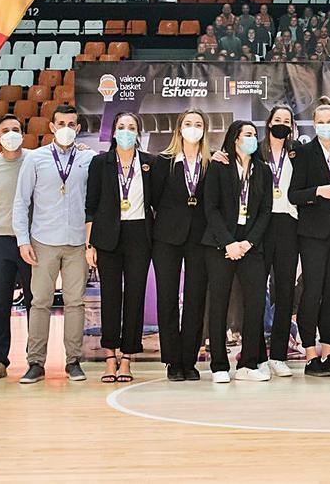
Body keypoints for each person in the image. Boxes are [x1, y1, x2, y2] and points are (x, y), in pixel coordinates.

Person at [12, 104, 94, 384]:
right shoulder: (35, 159)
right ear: (51, 127)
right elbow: (21, 202)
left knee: (75, 303)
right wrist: (23, 241)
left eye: (72, 124)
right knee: (40, 302)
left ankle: (73, 361)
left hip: (77, 243)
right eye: (61, 123)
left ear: (78, 129)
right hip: (43, 241)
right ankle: (35, 362)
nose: (66, 129)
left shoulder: (88, 158)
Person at [85, 112, 155, 384]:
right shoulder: (100, 163)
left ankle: (127, 357)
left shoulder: (149, 163)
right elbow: (90, 207)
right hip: (107, 238)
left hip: (139, 236)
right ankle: (110, 357)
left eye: (131, 127)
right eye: (122, 127)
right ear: (113, 132)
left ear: (138, 133)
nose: (126, 131)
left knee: (135, 297)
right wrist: (89, 244)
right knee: (111, 298)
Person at [201, 121, 273, 383]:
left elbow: (266, 211)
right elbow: (210, 208)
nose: (253, 139)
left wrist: (248, 243)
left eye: (255, 135)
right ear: (235, 139)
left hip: (251, 245)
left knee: (255, 303)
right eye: (248, 135)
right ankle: (219, 364)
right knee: (219, 303)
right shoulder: (219, 166)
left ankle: (248, 364)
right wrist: (229, 242)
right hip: (221, 244)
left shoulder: (263, 170)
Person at [287, 97, 330, 377]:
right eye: (321, 122)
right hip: (313, 231)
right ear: (314, 125)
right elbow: (293, 194)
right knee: (312, 291)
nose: (326, 126)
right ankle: (310, 353)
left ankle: (329, 352)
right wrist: (317, 192)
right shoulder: (304, 153)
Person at [150, 109, 211, 381]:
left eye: (198, 124)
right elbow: (152, 199)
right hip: (167, 238)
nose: (193, 128)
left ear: (205, 130)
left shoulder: (212, 162)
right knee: (167, 298)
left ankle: (190, 359)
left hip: (199, 239)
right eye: (188, 123)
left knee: (196, 299)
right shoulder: (163, 161)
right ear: (179, 128)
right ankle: (172, 361)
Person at [0, 116, 32, 381]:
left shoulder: (34, 159)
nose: (11, 134)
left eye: (16, 130)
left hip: (32, 240)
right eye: (5, 131)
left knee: (36, 301)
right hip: (0, 240)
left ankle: (36, 359)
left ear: (23, 133)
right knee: (0, 302)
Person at [261, 105, 303, 378]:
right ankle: (254, 354)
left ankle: (278, 354)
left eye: (286, 121)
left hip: (289, 223)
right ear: (269, 123)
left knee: (285, 289)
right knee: (256, 291)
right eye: (277, 120)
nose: (281, 124)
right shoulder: (255, 149)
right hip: (261, 224)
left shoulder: (298, 152)